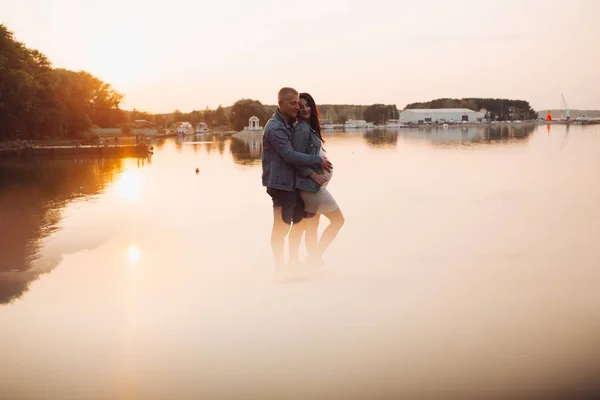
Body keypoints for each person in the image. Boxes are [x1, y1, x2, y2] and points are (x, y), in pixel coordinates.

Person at [262, 87, 333, 269]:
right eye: (293, 103)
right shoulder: (276, 127)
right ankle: (280, 267)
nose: (297, 107)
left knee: (299, 224)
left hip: (290, 183)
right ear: (281, 103)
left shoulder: (287, 122)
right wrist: (317, 160)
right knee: (281, 227)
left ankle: (293, 263)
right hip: (280, 185)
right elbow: (289, 155)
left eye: (297, 103)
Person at [289, 92, 344, 266]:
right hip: (312, 189)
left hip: (313, 188)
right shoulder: (302, 129)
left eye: (308, 105)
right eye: (301, 106)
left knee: (312, 227)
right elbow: (295, 158)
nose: (305, 109)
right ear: (297, 109)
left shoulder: (308, 128)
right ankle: (315, 258)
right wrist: (313, 174)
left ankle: (313, 263)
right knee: (338, 220)